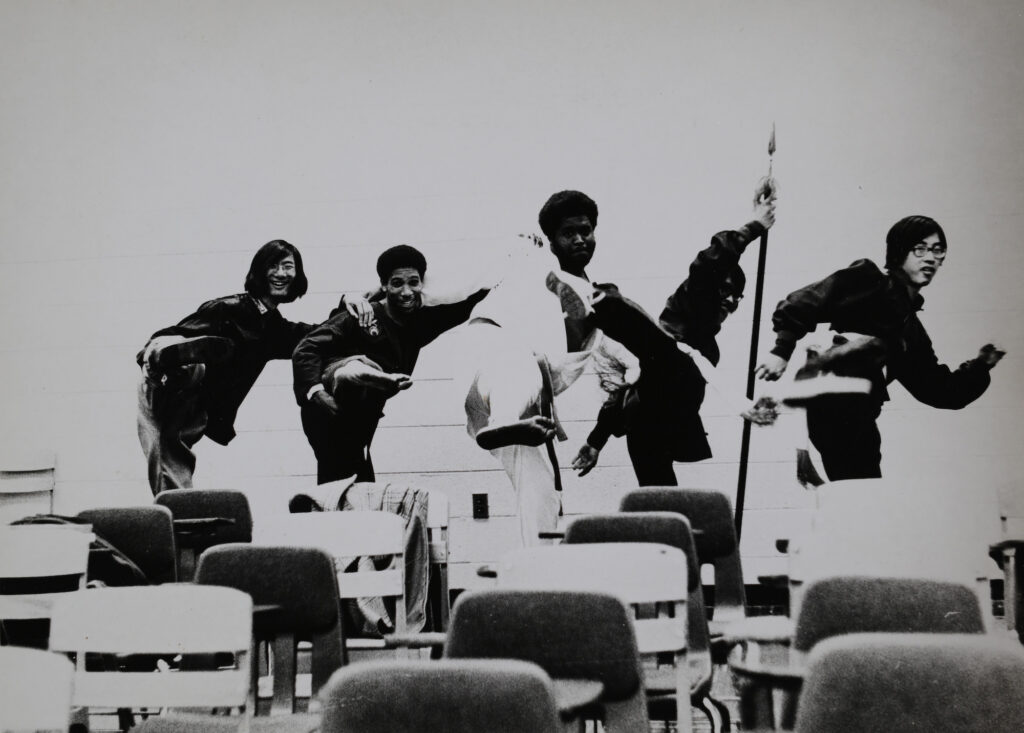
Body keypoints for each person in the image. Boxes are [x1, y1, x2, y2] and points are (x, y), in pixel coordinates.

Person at [755, 214, 1005, 481]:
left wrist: (981, 366)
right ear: (899, 252)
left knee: (863, 492)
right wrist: (781, 351)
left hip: (861, 415)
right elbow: (801, 303)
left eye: (937, 250)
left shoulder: (911, 332)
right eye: (919, 249)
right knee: (860, 491)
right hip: (835, 403)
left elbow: (940, 390)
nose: (930, 257)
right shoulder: (867, 280)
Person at [561, 179, 778, 486]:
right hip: (663, 367)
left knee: (660, 495)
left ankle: (600, 303)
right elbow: (707, 267)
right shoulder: (690, 305)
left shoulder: (708, 345)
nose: (729, 300)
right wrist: (754, 225)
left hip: (653, 422)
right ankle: (598, 301)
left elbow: (627, 389)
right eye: (725, 290)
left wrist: (596, 441)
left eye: (737, 296)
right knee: (659, 347)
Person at [293, 244, 488, 484]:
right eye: (397, 283)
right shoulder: (363, 313)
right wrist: (314, 392)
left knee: (351, 482)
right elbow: (307, 347)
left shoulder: (420, 324)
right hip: (329, 403)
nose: (406, 292)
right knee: (345, 478)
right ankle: (357, 372)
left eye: (413, 283)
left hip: (365, 411)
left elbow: (465, 303)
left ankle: (329, 516)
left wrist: (508, 267)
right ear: (384, 286)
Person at [137, 239, 313, 495]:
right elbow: (171, 331)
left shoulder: (274, 327)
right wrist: (158, 350)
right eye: (273, 265)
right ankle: (164, 358)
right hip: (166, 387)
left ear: (297, 275)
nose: (281, 273)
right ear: (259, 270)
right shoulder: (227, 308)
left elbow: (317, 335)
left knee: (175, 471)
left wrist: (355, 303)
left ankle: (178, 361)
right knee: (171, 462)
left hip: (197, 404)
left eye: (288, 266)